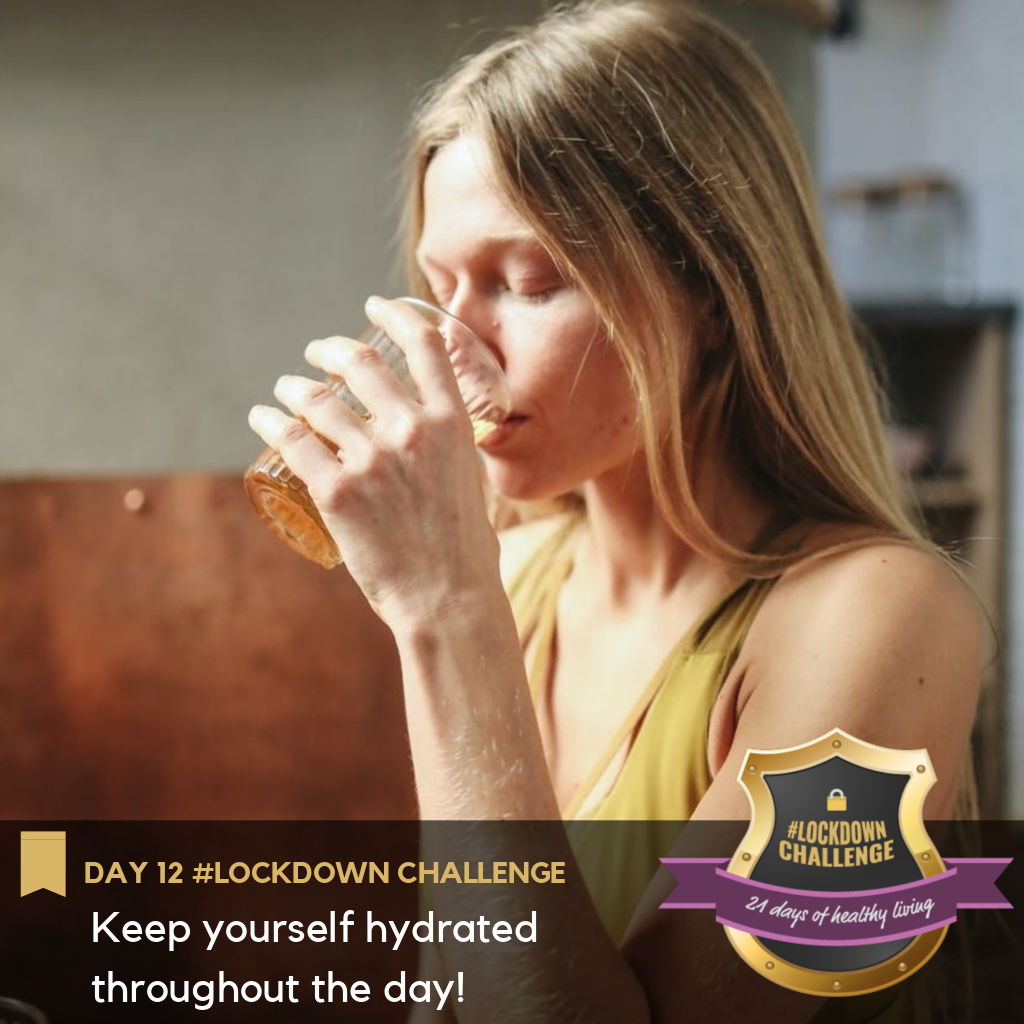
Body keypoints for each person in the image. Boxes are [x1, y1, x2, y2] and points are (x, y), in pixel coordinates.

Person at [248, 1, 982, 1020]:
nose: (456, 349)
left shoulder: (885, 618)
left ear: (711, 294)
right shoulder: (520, 565)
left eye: (528, 281)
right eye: (439, 285)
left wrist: (444, 617)